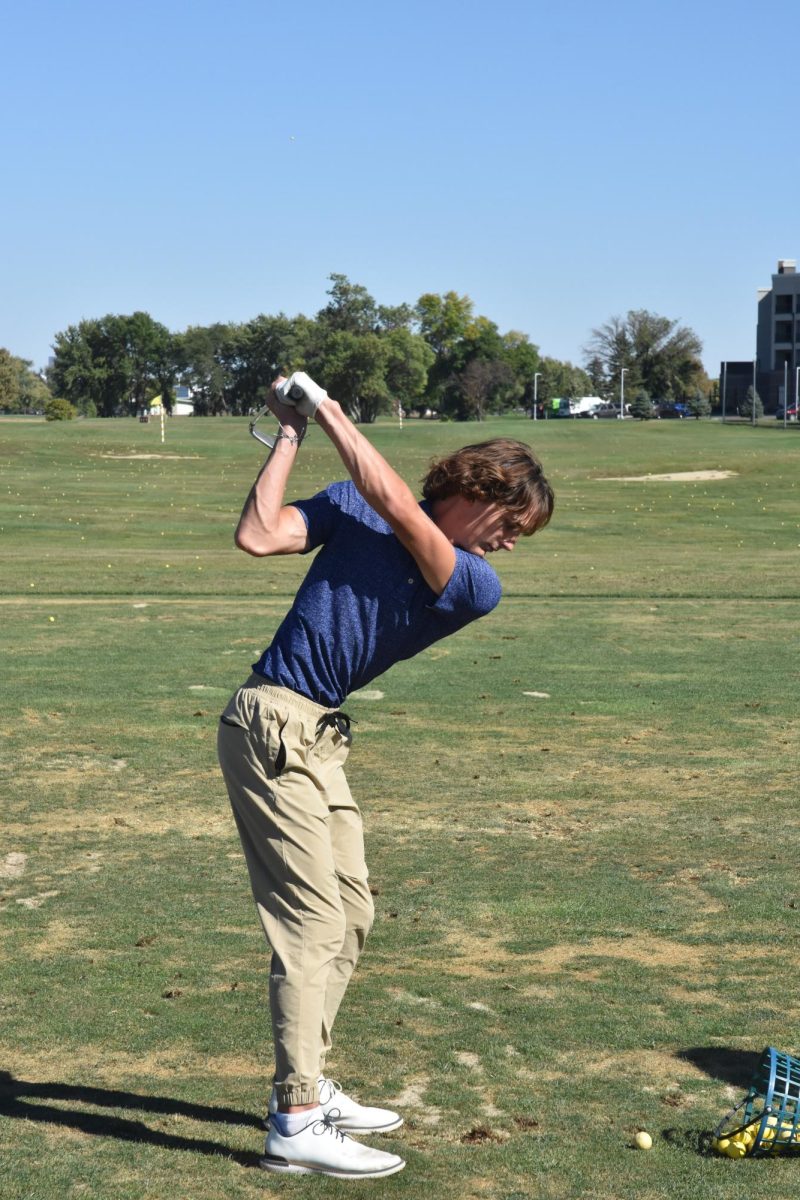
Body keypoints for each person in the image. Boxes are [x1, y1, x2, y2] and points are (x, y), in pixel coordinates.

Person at [217, 371, 554, 1179]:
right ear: (475, 490)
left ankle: (310, 1086)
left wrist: (330, 407)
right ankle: (296, 1117)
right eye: (512, 521)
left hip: (318, 736)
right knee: (311, 925)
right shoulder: (354, 503)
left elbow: (403, 510)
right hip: (271, 721)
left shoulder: (473, 583)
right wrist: (292, 430)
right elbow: (259, 536)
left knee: (352, 912)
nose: (511, 541)